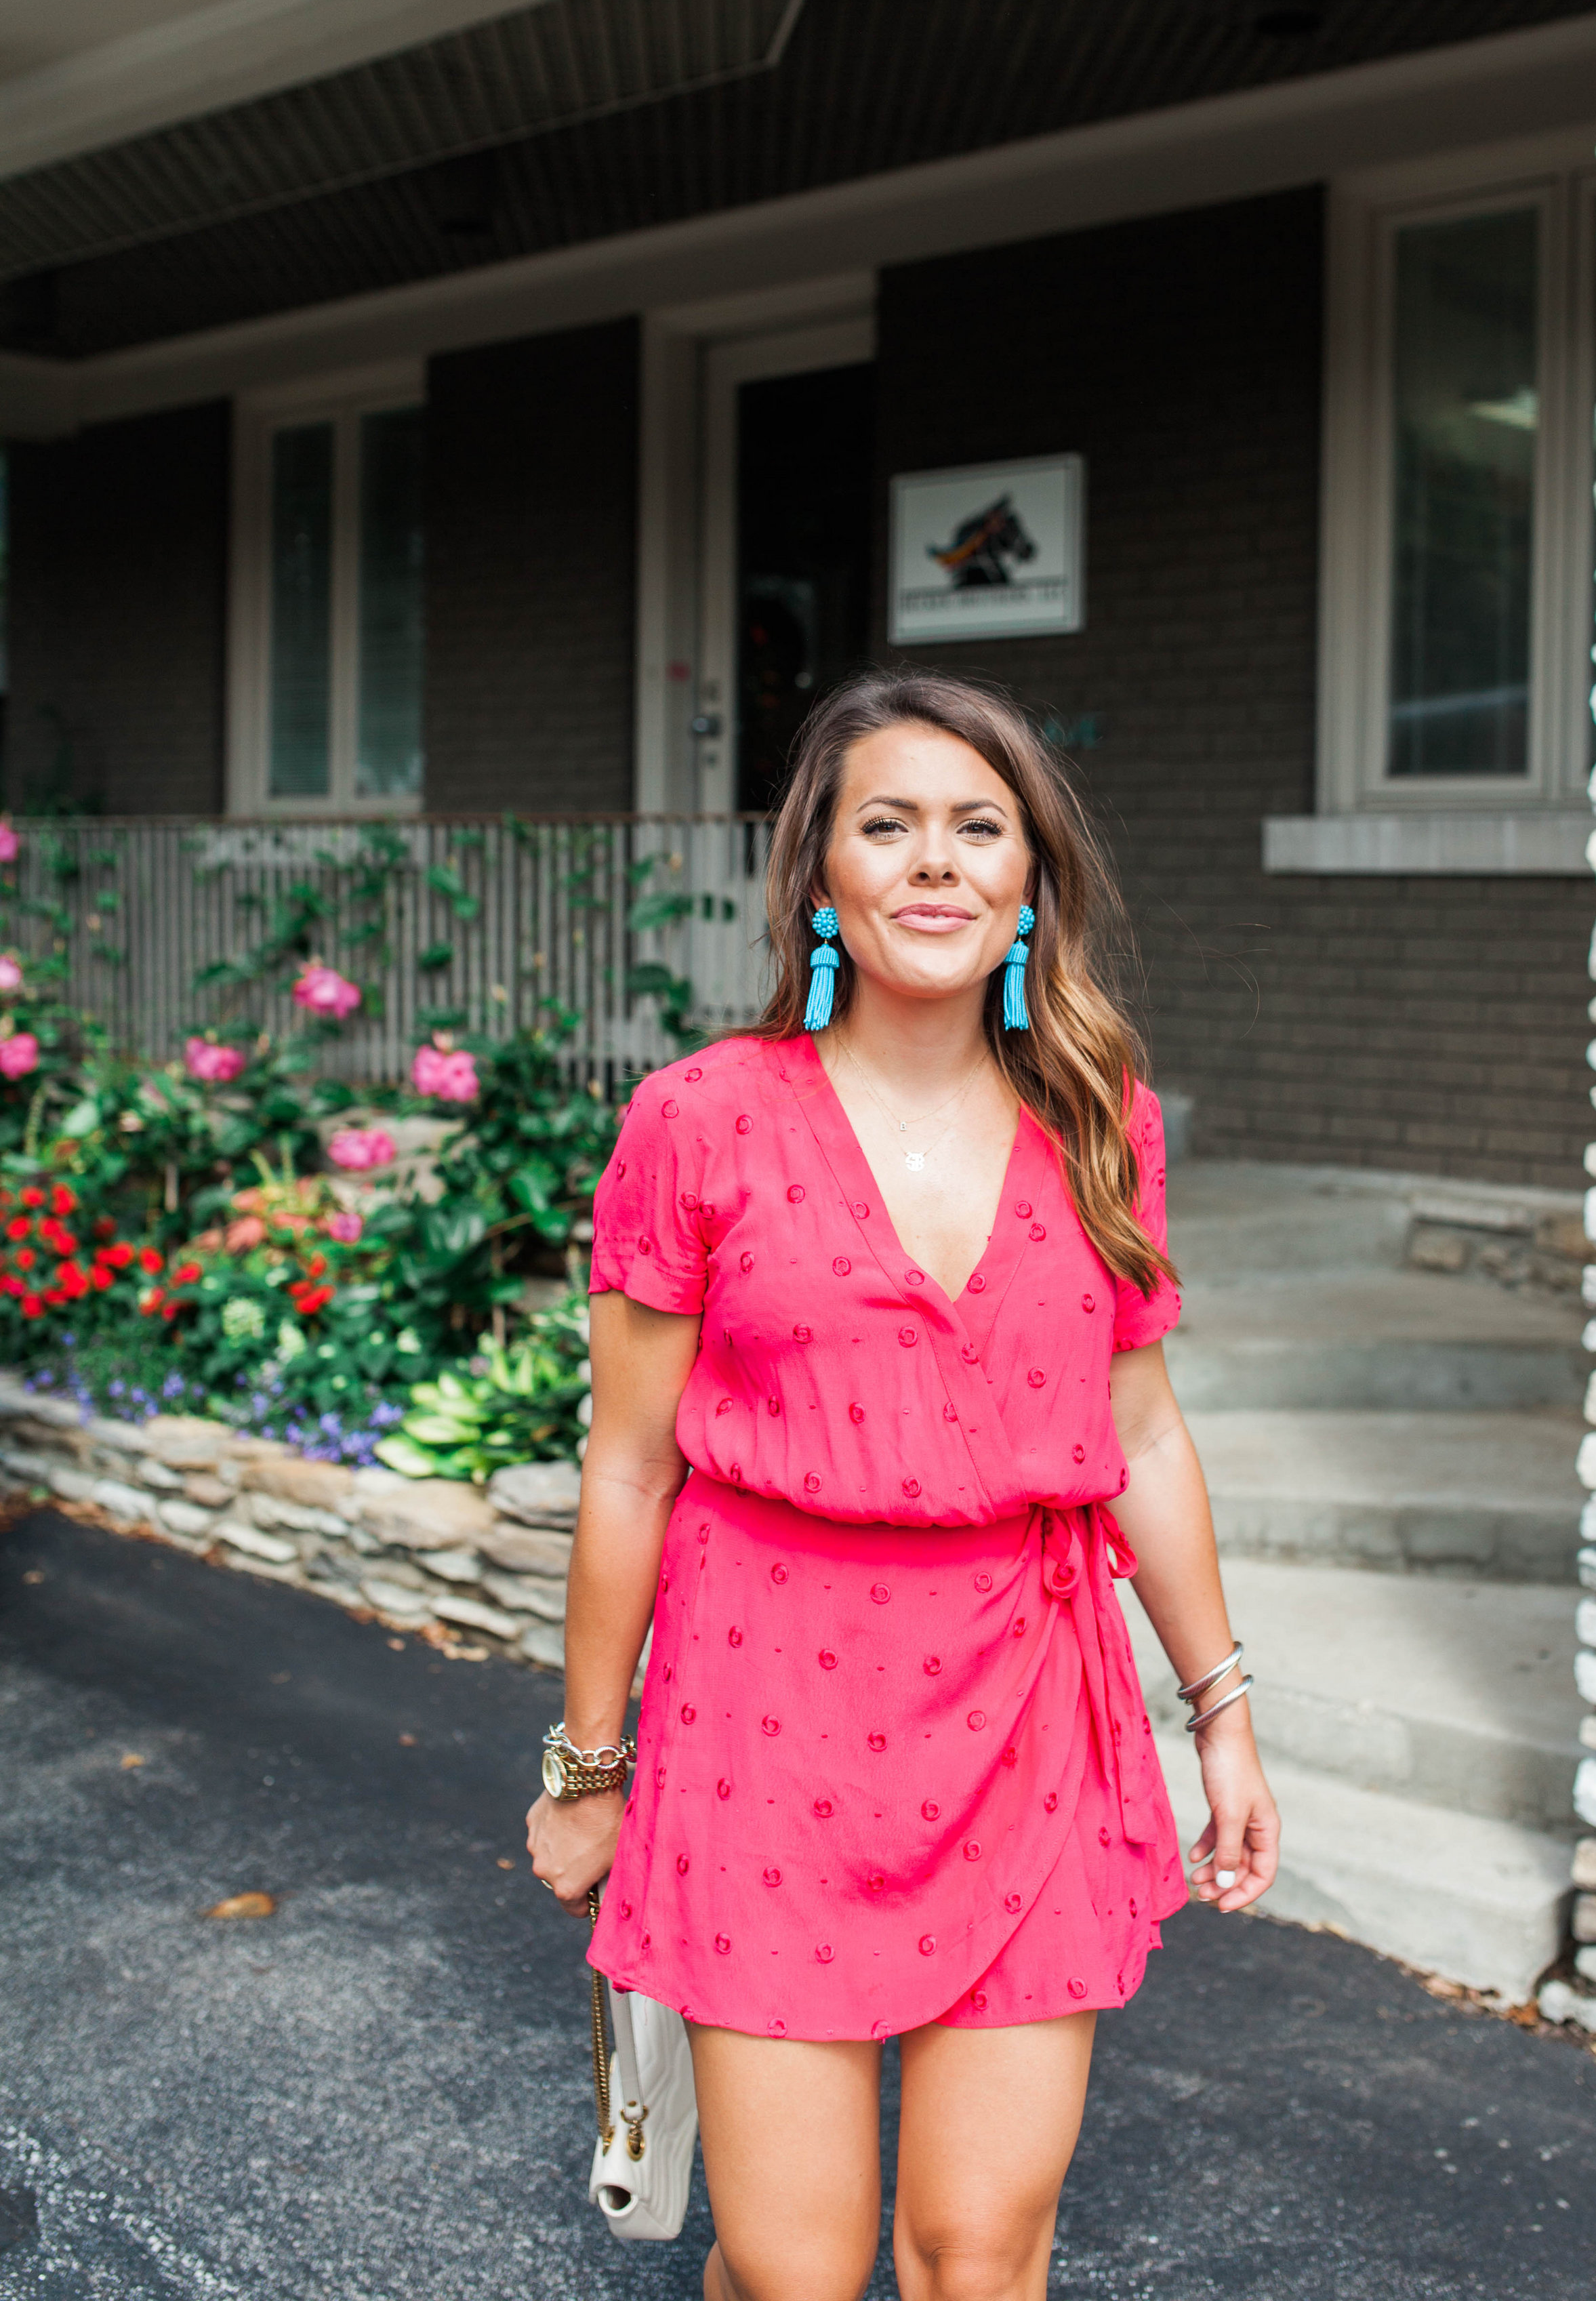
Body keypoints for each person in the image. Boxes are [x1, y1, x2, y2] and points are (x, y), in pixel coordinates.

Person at [528, 668, 1280, 2301]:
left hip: (1024, 1707)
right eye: (887, 824)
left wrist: (1219, 1705)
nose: (933, 862)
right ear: (819, 876)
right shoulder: (701, 1120)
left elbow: (1139, 1432)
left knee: (974, 2249)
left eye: (975, 826)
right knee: (791, 2270)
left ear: (1026, 882)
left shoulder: (1100, 1120)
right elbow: (630, 1462)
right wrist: (591, 1762)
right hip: (762, 1717)